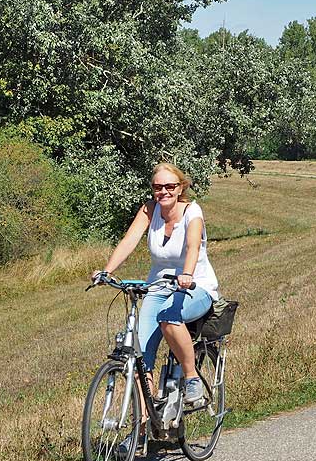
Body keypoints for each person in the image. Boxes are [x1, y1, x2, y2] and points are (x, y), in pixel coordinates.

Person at [93, 163, 221, 404]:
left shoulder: (192, 211)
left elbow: (193, 246)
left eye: (170, 186)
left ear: (180, 187)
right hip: (158, 287)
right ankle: (141, 428)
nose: (164, 191)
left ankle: (191, 376)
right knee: (141, 357)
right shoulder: (149, 210)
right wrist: (107, 270)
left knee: (169, 319)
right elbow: (129, 241)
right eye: (158, 187)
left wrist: (187, 274)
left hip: (195, 286)